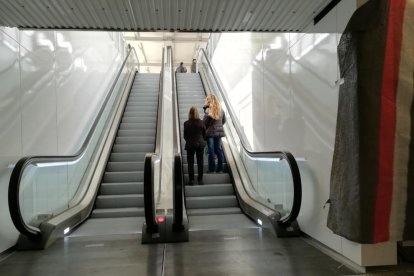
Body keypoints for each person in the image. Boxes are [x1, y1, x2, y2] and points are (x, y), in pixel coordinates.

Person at [203, 94, 226, 173]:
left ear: (209, 101)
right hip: (219, 133)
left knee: (211, 150)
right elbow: (224, 120)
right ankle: (220, 169)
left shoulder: (208, 110)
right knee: (219, 150)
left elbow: (204, 123)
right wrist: (219, 126)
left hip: (210, 133)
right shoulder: (221, 110)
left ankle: (212, 169)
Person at [184, 107, 206, 185]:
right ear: (197, 113)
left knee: (190, 163)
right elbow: (204, 134)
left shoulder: (186, 123)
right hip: (200, 144)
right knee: (200, 162)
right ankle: (200, 180)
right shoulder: (201, 122)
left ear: (189, 114)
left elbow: (185, 136)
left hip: (190, 144)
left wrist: (189, 140)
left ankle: (191, 180)